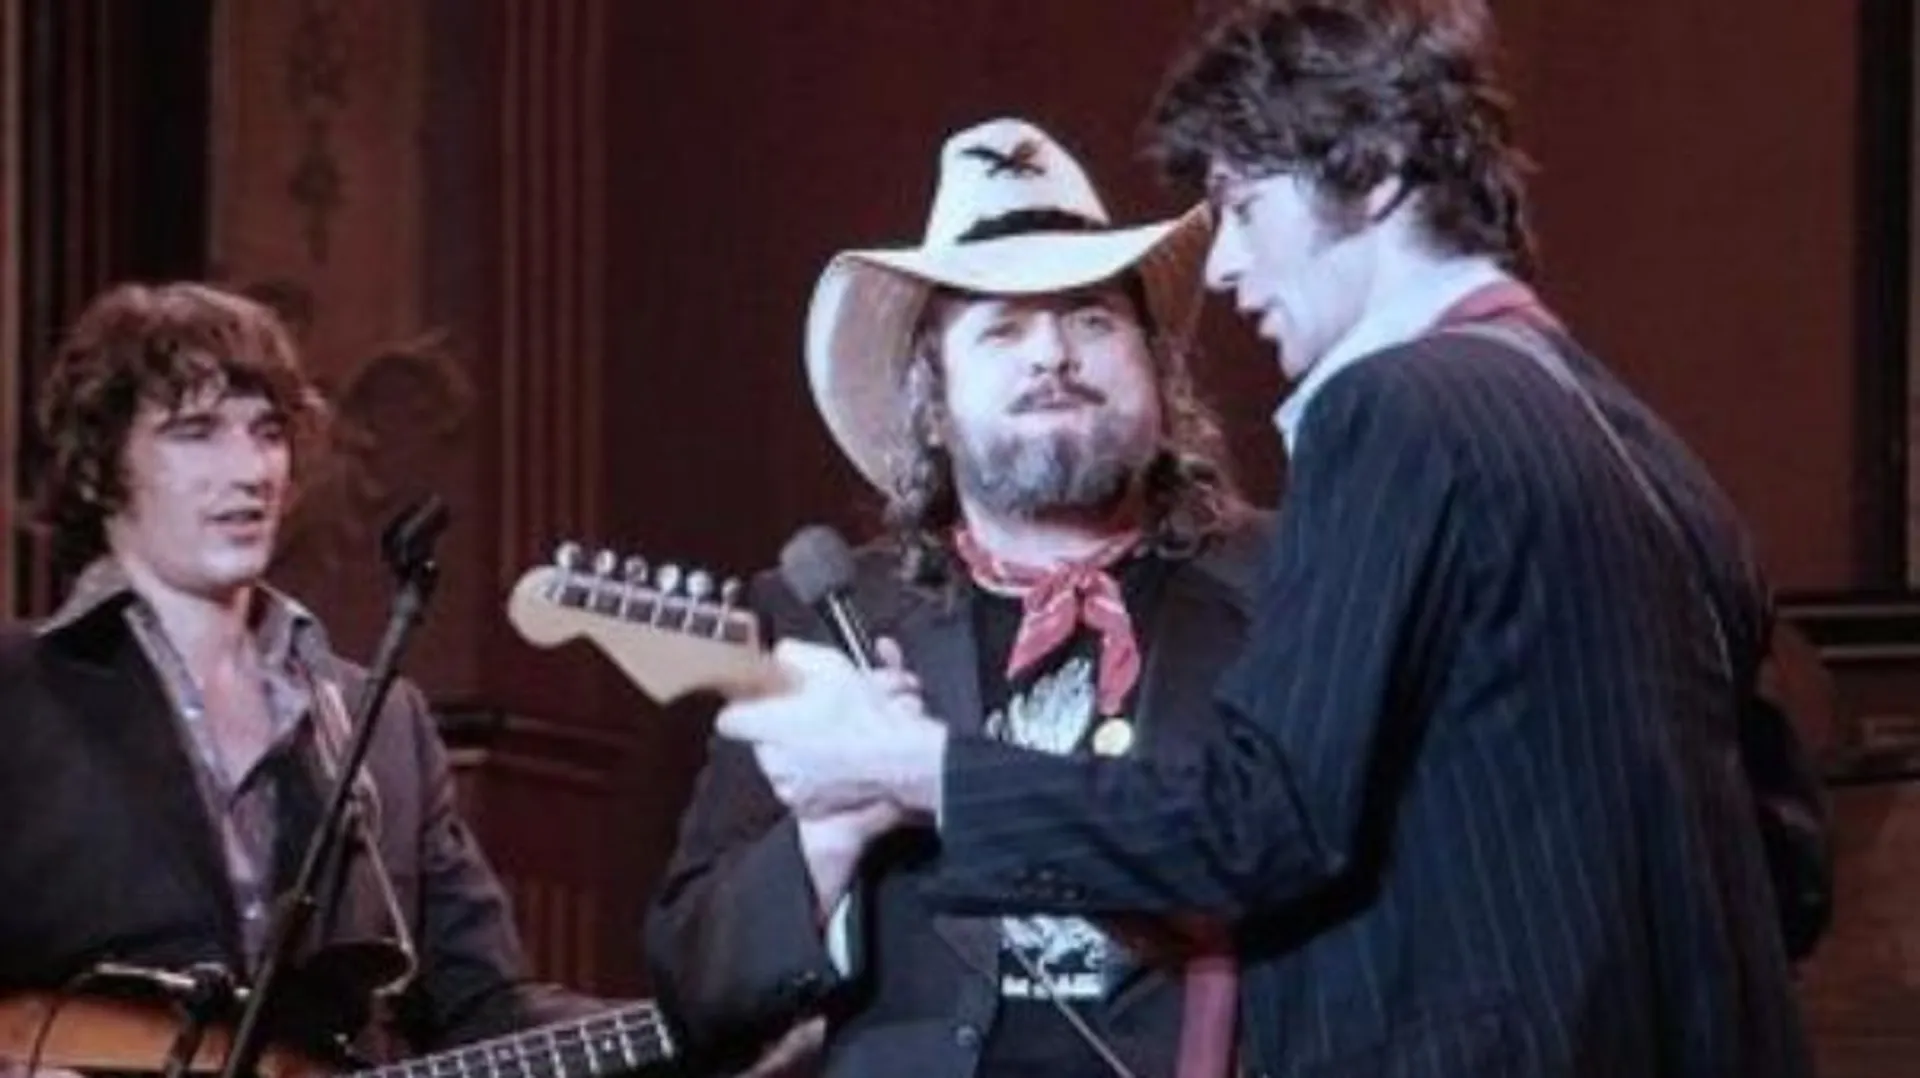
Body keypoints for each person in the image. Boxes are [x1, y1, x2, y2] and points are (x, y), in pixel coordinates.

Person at [710, 4, 1832, 1076]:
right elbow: (1790, 868)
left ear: (1374, 175)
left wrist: (912, 766)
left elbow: (1262, 822)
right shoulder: (1649, 445)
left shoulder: (1392, 411)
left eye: (1243, 207)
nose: (1225, 265)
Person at [645, 117, 1266, 1077]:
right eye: (1002, 328)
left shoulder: (1284, 583)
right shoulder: (822, 622)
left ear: (1158, 366)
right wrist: (831, 832)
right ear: (932, 403)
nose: (1051, 355)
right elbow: (695, 985)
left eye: (1092, 318)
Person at [0, 281, 603, 1064]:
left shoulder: (382, 722)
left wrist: (698, 1025)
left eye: (268, 433)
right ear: (99, 467)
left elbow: (482, 1008)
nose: (249, 470)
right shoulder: (19, 694)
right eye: (196, 432)